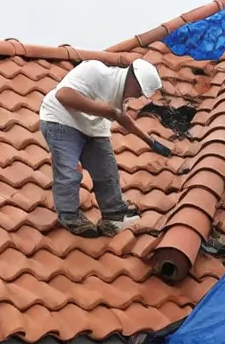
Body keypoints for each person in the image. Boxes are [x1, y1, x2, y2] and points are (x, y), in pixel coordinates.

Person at [37, 58, 174, 237]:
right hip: (60, 120)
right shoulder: (95, 71)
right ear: (132, 79)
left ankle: (113, 214)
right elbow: (63, 95)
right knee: (69, 172)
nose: (139, 96)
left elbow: (122, 118)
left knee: (107, 171)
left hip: (92, 128)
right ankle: (69, 216)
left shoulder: (121, 95)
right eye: (140, 90)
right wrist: (104, 110)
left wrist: (151, 142)